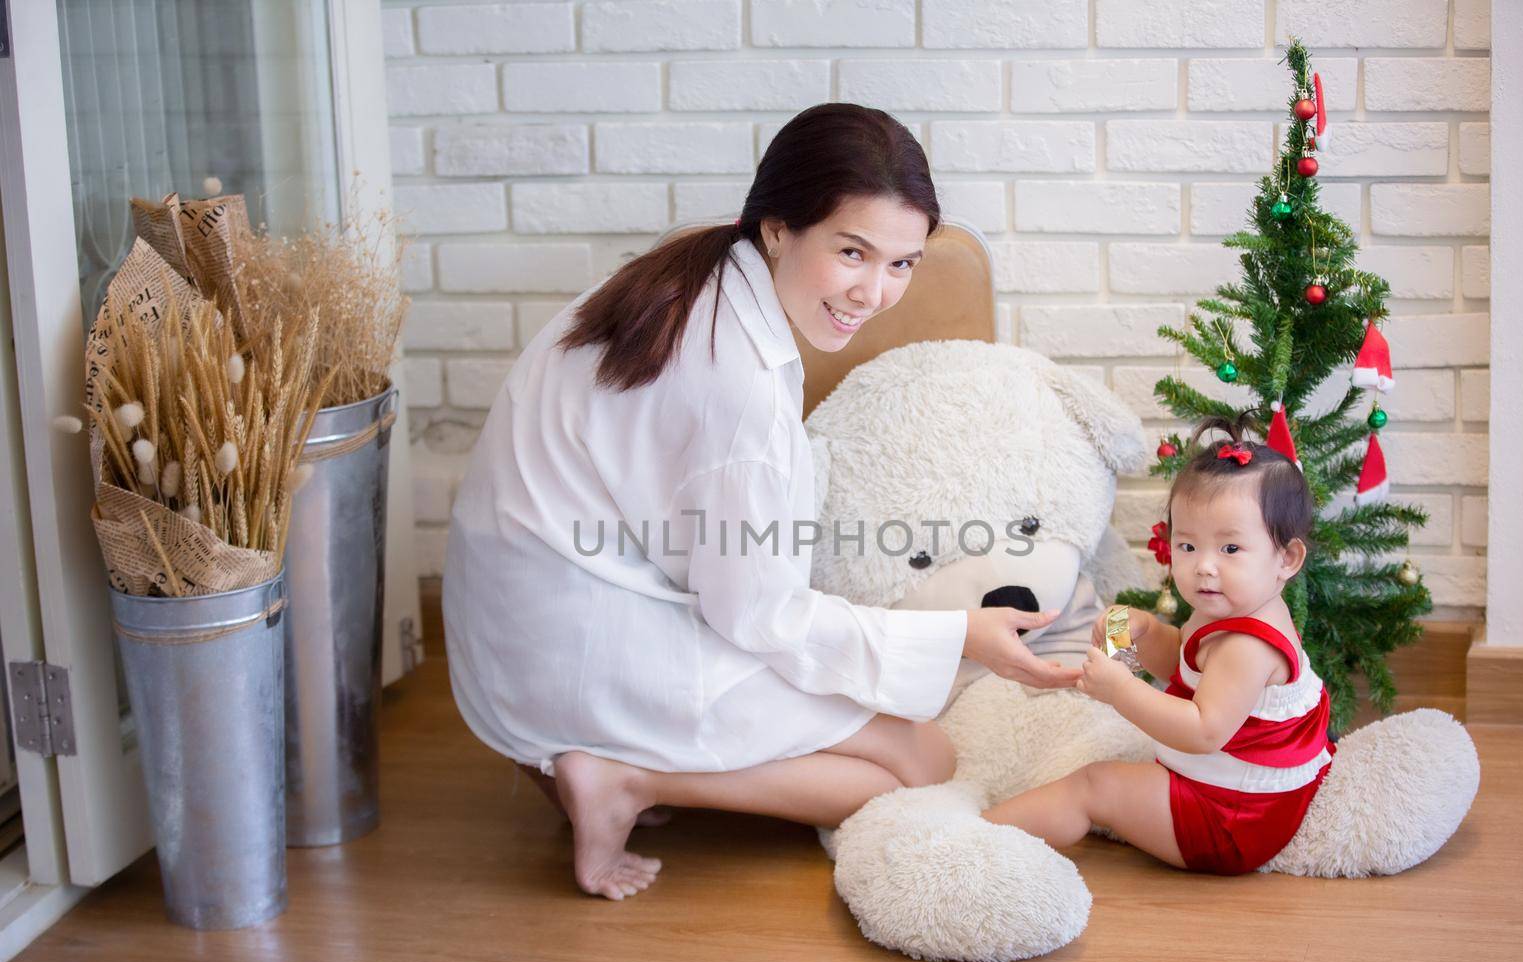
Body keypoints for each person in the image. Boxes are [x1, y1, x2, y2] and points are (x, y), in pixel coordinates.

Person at [443, 103, 1078, 901]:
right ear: (778, 229)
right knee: (922, 764)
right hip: (568, 637)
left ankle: (618, 763)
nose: (877, 292)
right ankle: (624, 776)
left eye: (902, 263)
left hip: (537, 600)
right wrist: (956, 634)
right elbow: (759, 614)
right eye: (853, 252)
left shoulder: (701, 274)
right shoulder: (734, 381)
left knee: (892, 730)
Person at [984, 418, 1335, 876]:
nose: (1204, 567)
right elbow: (1184, 664)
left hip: (1232, 820)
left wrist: (1119, 691)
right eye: (1188, 545)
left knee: (1096, 785)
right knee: (1108, 775)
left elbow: (1202, 731)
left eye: (1230, 549)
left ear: (1286, 558)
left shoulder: (1246, 645)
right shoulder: (1227, 605)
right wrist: (1144, 633)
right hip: (1226, 791)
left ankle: (974, 840)